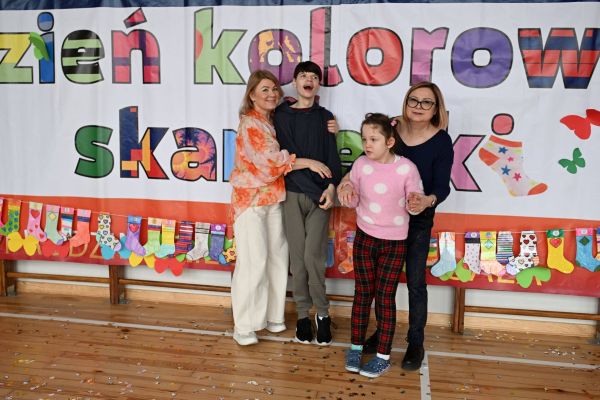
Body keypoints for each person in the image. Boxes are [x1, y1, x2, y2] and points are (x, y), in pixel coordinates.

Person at [338, 81, 454, 371]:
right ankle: (381, 336)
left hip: (416, 221)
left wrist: (426, 200)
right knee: (375, 289)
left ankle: (415, 342)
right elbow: (361, 165)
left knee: (415, 283)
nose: (419, 106)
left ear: (436, 109)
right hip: (378, 225)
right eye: (414, 99)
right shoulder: (390, 128)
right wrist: (345, 183)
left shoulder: (441, 141)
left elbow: (442, 186)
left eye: (427, 102)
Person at [339, 113, 423, 378]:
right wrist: (347, 192)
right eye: (364, 139)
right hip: (365, 238)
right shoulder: (360, 164)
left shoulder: (407, 168)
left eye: (373, 139)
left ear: (389, 141)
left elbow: (416, 201)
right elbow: (353, 199)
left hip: (395, 243)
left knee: (385, 298)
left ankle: (383, 356)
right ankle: (355, 348)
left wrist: (415, 202)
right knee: (362, 295)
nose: (367, 144)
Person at [273, 61, 342, 345]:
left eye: (314, 77)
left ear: (318, 84)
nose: (309, 80)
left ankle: (322, 314)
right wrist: (309, 168)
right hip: (292, 195)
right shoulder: (281, 115)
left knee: (314, 257)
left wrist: (332, 188)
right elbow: (285, 158)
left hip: (320, 198)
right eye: (303, 75)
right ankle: (303, 314)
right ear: (294, 81)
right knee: (298, 260)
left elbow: (332, 157)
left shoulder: (326, 117)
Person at [228, 70, 296, 346]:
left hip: (274, 198)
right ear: (252, 95)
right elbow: (268, 163)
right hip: (251, 200)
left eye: (275, 89)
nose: (271, 94)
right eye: (265, 89)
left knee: (278, 259)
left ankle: (272, 316)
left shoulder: (272, 122)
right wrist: (300, 161)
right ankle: (244, 325)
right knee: (253, 262)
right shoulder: (250, 123)